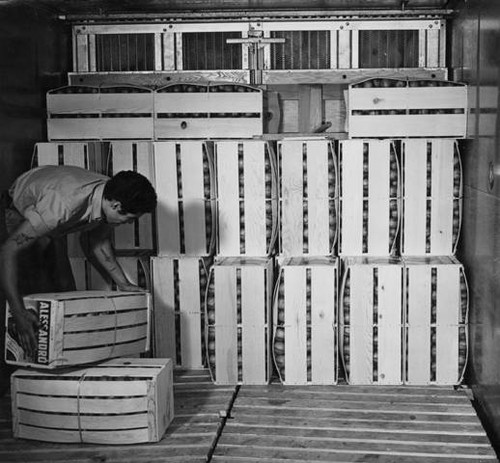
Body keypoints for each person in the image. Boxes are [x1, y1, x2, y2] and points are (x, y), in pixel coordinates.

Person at [0, 165, 157, 395]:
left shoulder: (110, 194)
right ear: (116, 206)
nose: (130, 224)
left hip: (54, 224)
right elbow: (7, 252)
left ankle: (68, 380)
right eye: (130, 219)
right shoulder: (63, 206)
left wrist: (122, 284)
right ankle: (33, 388)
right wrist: (18, 312)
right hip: (20, 210)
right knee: (32, 307)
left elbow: (96, 242)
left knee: (66, 298)